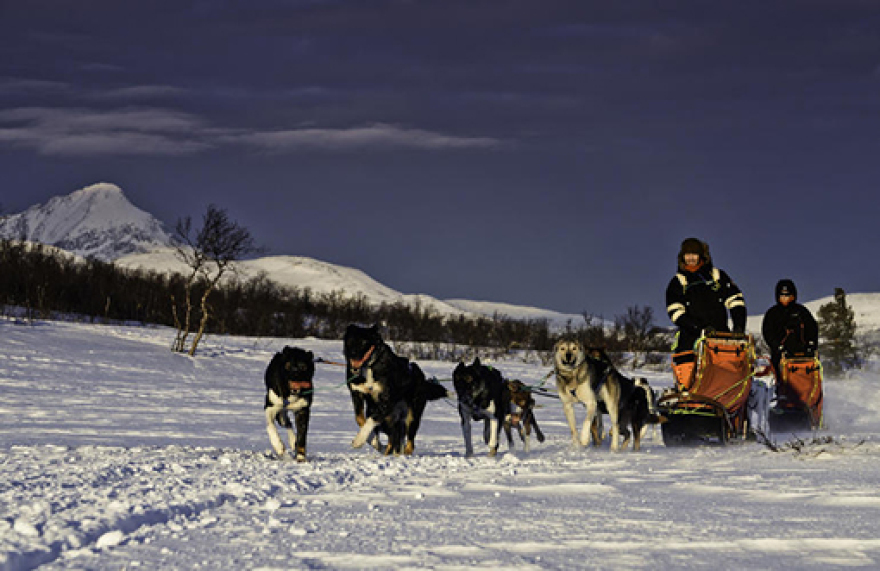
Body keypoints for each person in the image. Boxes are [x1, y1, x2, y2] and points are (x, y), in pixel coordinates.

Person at [665, 237, 747, 389]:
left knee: (727, 369)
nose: (690, 258)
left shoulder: (717, 276)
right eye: (687, 255)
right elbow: (675, 312)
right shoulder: (678, 282)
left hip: (720, 336)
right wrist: (698, 328)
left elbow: (736, 301)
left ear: (701, 256)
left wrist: (739, 327)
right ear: (682, 257)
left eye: (694, 254)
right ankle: (686, 393)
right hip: (690, 337)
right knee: (687, 367)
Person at [761, 279, 819, 380]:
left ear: (793, 296)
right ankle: (781, 390)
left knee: (809, 376)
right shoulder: (773, 313)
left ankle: (811, 392)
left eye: (788, 295)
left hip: (803, 354)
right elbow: (768, 332)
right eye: (782, 296)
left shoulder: (801, 312)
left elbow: (812, 328)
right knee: (780, 376)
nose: (785, 298)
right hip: (781, 355)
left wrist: (811, 344)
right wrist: (777, 346)